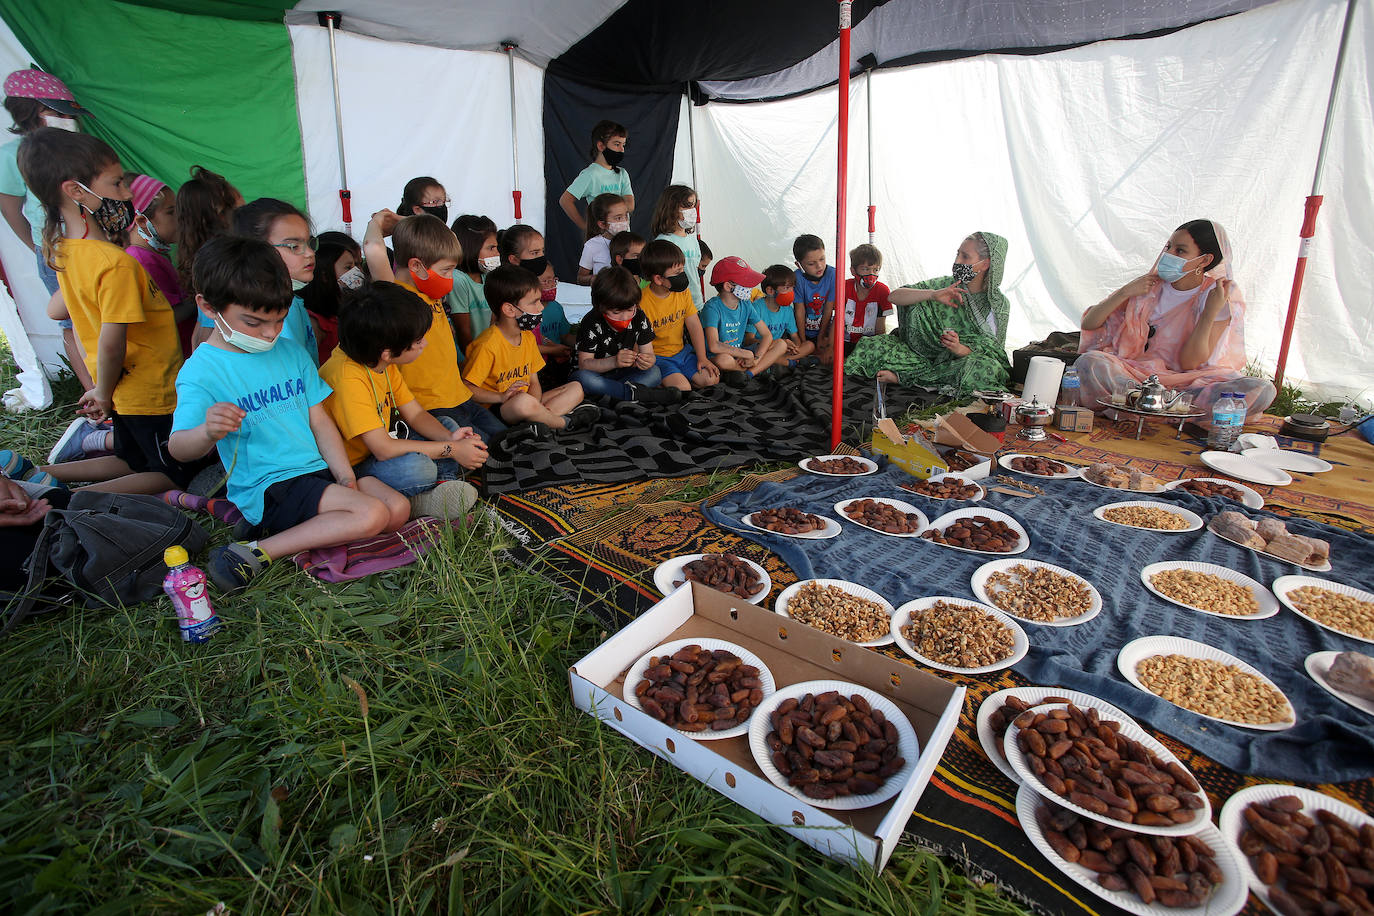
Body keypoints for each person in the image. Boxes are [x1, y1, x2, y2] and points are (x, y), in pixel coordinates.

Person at [170, 236, 409, 594]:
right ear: (207, 307)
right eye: (253, 322)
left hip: (317, 473)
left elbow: (319, 420)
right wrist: (206, 431)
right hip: (270, 486)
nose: (269, 333)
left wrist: (344, 476)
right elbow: (178, 448)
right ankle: (252, 552)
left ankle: (296, 532)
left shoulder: (289, 351)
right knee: (372, 514)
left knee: (398, 508)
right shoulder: (202, 371)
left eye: (279, 320)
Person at [19, 128, 201, 494]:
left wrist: (105, 388)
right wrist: (101, 391)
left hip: (122, 390)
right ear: (75, 191)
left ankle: (33, 473)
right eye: (117, 184)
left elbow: (58, 309)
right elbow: (112, 340)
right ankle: (57, 496)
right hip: (148, 391)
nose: (128, 194)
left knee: (132, 460)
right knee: (172, 474)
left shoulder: (67, 250)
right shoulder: (114, 263)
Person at [1077, 220, 1276, 422]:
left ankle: (1143, 408)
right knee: (1091, 362)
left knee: (1263, 390)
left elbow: (1190, 362)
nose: (1169, 255)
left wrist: (1209, 312)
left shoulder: (1218, 294)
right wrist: (1124, 293)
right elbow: (1090, 323)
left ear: (1205, 260)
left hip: (1192, 383)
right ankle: (1173, 412)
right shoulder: (1149, 285)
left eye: (1180, 251)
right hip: (1138, 377)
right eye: (1168, 247)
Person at [318, 281, 486, 518]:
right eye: (418, 342)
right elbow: (383, 449)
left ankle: (437, 489)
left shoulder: (378, 359)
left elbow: (415, 414)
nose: (424, 345)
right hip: (356, 465)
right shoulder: (347, 378)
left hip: (385, 445)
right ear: (387, 352)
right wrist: (452, 449)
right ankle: (430, 493)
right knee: (418, 467)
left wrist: (451, 440)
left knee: (447, 425)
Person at [362, 211, 506, 443]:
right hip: (431, 407)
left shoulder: (430, 290)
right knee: (490, 450)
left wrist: (409, 225)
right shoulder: (396, 297)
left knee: (506, 440)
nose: (450, 278)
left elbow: (447, 239)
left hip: (461, 396)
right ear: (416, 266)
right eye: (446, 271)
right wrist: (377, 222)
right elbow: (373, 248)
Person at [0, 69, 92, 390]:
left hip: (91, 243)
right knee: (73, 322)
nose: (64, 118)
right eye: (55, 111)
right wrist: (40, 247)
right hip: (56, 251)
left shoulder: (76, 145)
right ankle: (93, 393)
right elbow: (12, 210)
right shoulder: (11, 157)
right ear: (29, 112)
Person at [845, 231, 1011, 392]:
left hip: (957, 362)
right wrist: (932, 295)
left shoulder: (998, 306)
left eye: (965, 256)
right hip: (918, 356)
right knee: (872, 346)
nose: (957, 261)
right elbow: (895, 296)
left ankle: (910, 378)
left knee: (984, 368)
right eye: (957, 254)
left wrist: (960, 349)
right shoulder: (945, 285)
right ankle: (925, 378)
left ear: (985, 264)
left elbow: (994, 354)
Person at [462, 265, 598, 435]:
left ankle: (537, 422)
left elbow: (533, 381)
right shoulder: (487, 345)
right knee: (523, 403)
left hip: (527, 403)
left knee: (576, 388)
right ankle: (563, 423)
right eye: (534, 302)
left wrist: (534, 404)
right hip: (501, 408)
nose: (541, 308)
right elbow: (467, 389)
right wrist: (502, 397)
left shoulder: (527, 337)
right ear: (509, 309)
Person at [572, 266, 678, 404]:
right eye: (616, 312)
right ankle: (634, 394)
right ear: (600, 306)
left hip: (622, 376)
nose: (624, 317)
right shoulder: (591, 321)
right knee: (582, 378)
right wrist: (614, 361)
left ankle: (613, 396)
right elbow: (584, 365)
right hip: (595, 375)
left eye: (629, 309)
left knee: (654, 372)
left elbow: (650, 355)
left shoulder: (639, 317)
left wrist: (647, 361)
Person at [178, 166, 243, 350]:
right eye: (241, 212)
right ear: (220, 215)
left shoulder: (201, 258)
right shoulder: (221, 263)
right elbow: (205, 332)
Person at [638, 239, 717, 391]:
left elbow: (694, 325)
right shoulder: (642, 302)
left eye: (682, 269)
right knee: (683, 388)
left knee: (711, 379)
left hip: (682, 353)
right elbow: (637, 341)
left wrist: (702, 358)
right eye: (678, 272)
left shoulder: (682, 292)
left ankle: (676, 379)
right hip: (659, 358)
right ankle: (666, 382)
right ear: (658, 279)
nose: (683, 275)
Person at [701, 256, 787, 384]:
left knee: (781, 344)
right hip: (719, 357)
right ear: (728, 286)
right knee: (724, 360)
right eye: (746, 282)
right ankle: (757, 370)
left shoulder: (745, 304)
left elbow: (766, 335)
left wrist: (756, 359)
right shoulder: (712, 308)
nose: (751, 287)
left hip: (741, 355)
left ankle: (749, 372)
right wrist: (746, 354)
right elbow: (714, 346)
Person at [558, 120, 633, 234]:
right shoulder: (590, 174)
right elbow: (565, 201)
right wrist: (585, 226)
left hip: (622, 239)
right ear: (601, 146)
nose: (622, 149)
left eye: (623, 145)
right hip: (600, 237)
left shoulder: (622, 174)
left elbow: (630, 205)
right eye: (617, 144)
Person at [300, 230, 364, 363]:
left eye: (358, 264)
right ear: (324, 275)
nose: (357, 272)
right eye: (349, 267)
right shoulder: (315, 323)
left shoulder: (348, 311)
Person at [447, 214, 499, 352]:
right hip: (469, 357)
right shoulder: (458, 280)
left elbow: (494, 322)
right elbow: (463, 331)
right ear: (471, 247)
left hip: (486, 352)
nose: (497, 253)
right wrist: (475, 359)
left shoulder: (488, 276)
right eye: (491, 248)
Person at [650, 184, 704, 309]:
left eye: (693, 205)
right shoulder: (663, 242)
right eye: (687, 205)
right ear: (671, 208)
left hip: (696, 303)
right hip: (676, 307)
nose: (692, 210)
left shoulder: (692, 238)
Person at [750, 264, 815, 367]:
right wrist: (776, 343)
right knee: (774, 347)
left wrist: (796, 348)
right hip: (760, 350)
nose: (791, 292)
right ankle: (785, 362)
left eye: (792, 288)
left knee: (809, 345)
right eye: (786, 288)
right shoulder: (756, 308)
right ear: (770, 291)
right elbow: (748, 340)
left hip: (780, 350)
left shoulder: (788, 310)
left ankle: (778, 361)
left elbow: (794, 336)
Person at [840, 243, 893, 356]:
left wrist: (878, 351)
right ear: (853, 271)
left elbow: (880, 330)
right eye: (865, 269)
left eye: (875, 270)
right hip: (844, 342)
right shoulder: (844, 287)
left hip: (869, 345)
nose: (871, 274)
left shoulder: (882, 291)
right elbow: (837, 320)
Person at [792, 234, 837, 366]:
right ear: (799, 264)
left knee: (827, 353)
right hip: (802, 331)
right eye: (811, 263)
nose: (819, 266)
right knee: (803, 347)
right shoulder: (797, 277)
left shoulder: (832, 274)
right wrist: (802, 339)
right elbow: (799, 310)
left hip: (824, 329)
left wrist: (821, 337)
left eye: (822, 259)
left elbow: (829, 308)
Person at [532, 261, 574, 388]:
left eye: (553, 280)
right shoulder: (528, 314)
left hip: (560, 358)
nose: (551, 285)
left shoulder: (556, 307)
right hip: (537, 364)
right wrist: (555, 350)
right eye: (545, 281)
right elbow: (528, 347)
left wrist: (582, 344)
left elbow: (565, 335)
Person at [577, 193, 629, 284]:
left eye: (626, 216)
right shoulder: (592, 245)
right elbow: (581, 278)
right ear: (602, 224)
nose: (624, 221)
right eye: (618, 218)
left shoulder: (632, 242)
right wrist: (597, 278)